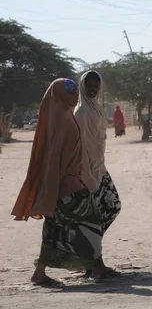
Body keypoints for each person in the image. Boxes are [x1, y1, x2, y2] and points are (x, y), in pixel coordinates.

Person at [11, 79, 114, 285]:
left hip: (63, 185)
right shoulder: (62, 121)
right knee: (92, 220)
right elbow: (56, 158)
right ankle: (97, 266)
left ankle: (40, 272)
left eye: (77, 92)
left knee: (54, 228)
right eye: (72, 93)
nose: (76, 96)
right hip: (69, 186)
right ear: (59, 95)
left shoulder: (63, 116)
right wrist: (63, 184)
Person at [74, 71, 122, 277]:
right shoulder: (81, 112)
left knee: (112, 207)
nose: (93, 89)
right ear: (82, 87)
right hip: (87, 173)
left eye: (96, 85)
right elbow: (79, 148)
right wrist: (87, 177)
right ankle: (96, 264)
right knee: (94, 217)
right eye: (89, 86)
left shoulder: (96, 107)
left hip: (100, 168)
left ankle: (89, 258)